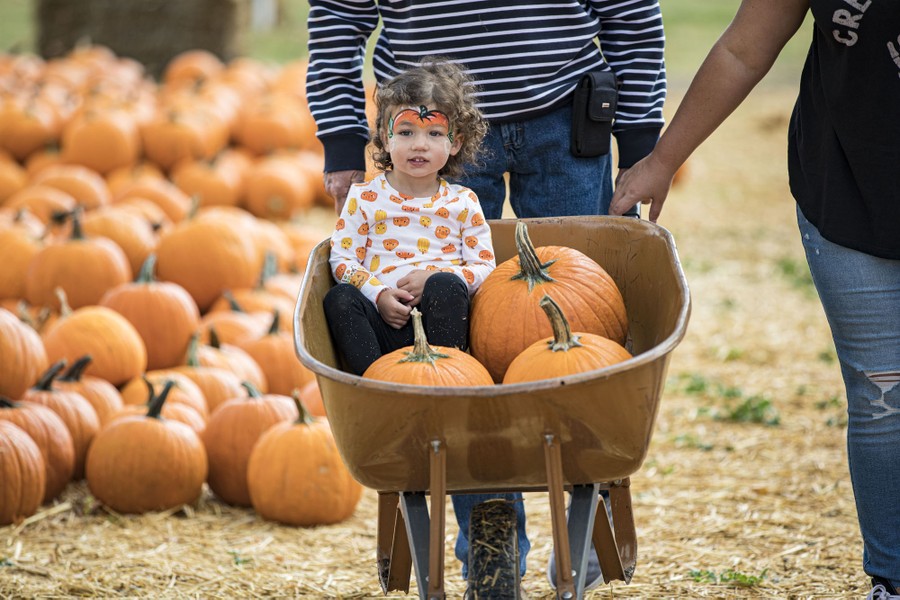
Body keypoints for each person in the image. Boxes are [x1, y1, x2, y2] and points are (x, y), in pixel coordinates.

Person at [609, 2, 900, 598]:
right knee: (883, 396)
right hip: (848, 185)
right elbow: (746, 48)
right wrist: (664, 160)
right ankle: (893, 579)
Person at [305, 0, 666, 220]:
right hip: (430, 128)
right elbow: (337, 18)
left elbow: (632, 17)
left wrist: (639, 146)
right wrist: (342, 145)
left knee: (580, 277)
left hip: (565, 116)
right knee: (438, 294)